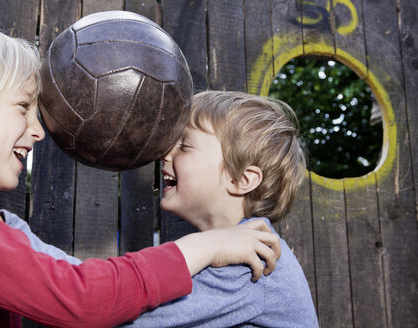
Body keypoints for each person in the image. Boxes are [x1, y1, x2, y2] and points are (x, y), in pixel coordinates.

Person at [0, 18, 282, 328]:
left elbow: (63, 286)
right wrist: (200, 248)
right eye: (23, 106)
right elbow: (82, 299)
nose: (38, 130)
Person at [117, 91, 319, 326]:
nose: (165, 154)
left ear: (240, 179)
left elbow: (119, 314)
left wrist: (64, 272)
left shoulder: (248, 263)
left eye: (184, 145)